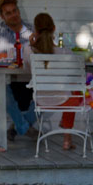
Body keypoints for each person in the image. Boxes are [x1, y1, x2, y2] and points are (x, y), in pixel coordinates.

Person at [0, 0, 37, 140]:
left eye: (15, 11)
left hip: (30, 78)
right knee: (2, 93)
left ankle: (17, 127)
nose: (13, 15)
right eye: (8, 13)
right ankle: (25, 128)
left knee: (50, 93)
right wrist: (1, 58)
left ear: (19, 11)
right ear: (2, 16)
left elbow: (43, 52)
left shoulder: (32, 31)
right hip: (6, 79)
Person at [29, 13, 84, 151]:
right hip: (63, 101)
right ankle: (67, 139)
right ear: (53, 28)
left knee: (71, 90)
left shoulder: (29, 51)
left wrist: (32, 45)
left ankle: (65, 127)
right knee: (76, 91)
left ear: (35, 31)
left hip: (40, 100)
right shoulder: (65, 53)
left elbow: (25, 68)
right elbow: (75, 74)